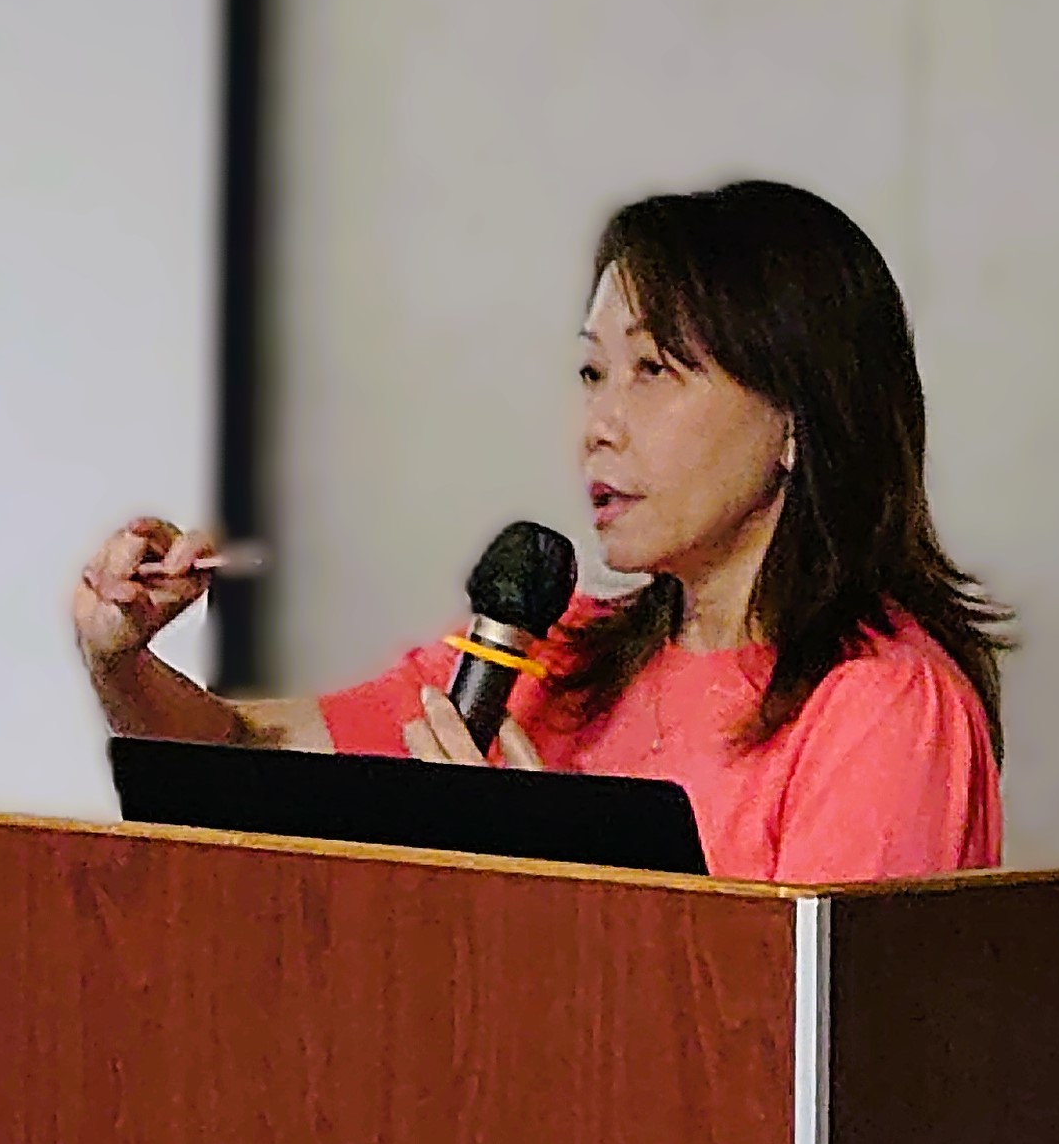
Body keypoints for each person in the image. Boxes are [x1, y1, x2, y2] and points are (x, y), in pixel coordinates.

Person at [73, 179, 1007, 884]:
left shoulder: (884, 706)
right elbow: (240, 760)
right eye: (593, 374)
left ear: (798, 418)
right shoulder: (546, 657)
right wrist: (121, 661)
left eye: (653, 372)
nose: (599, 426)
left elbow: (817, 1044)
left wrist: (537, 869)